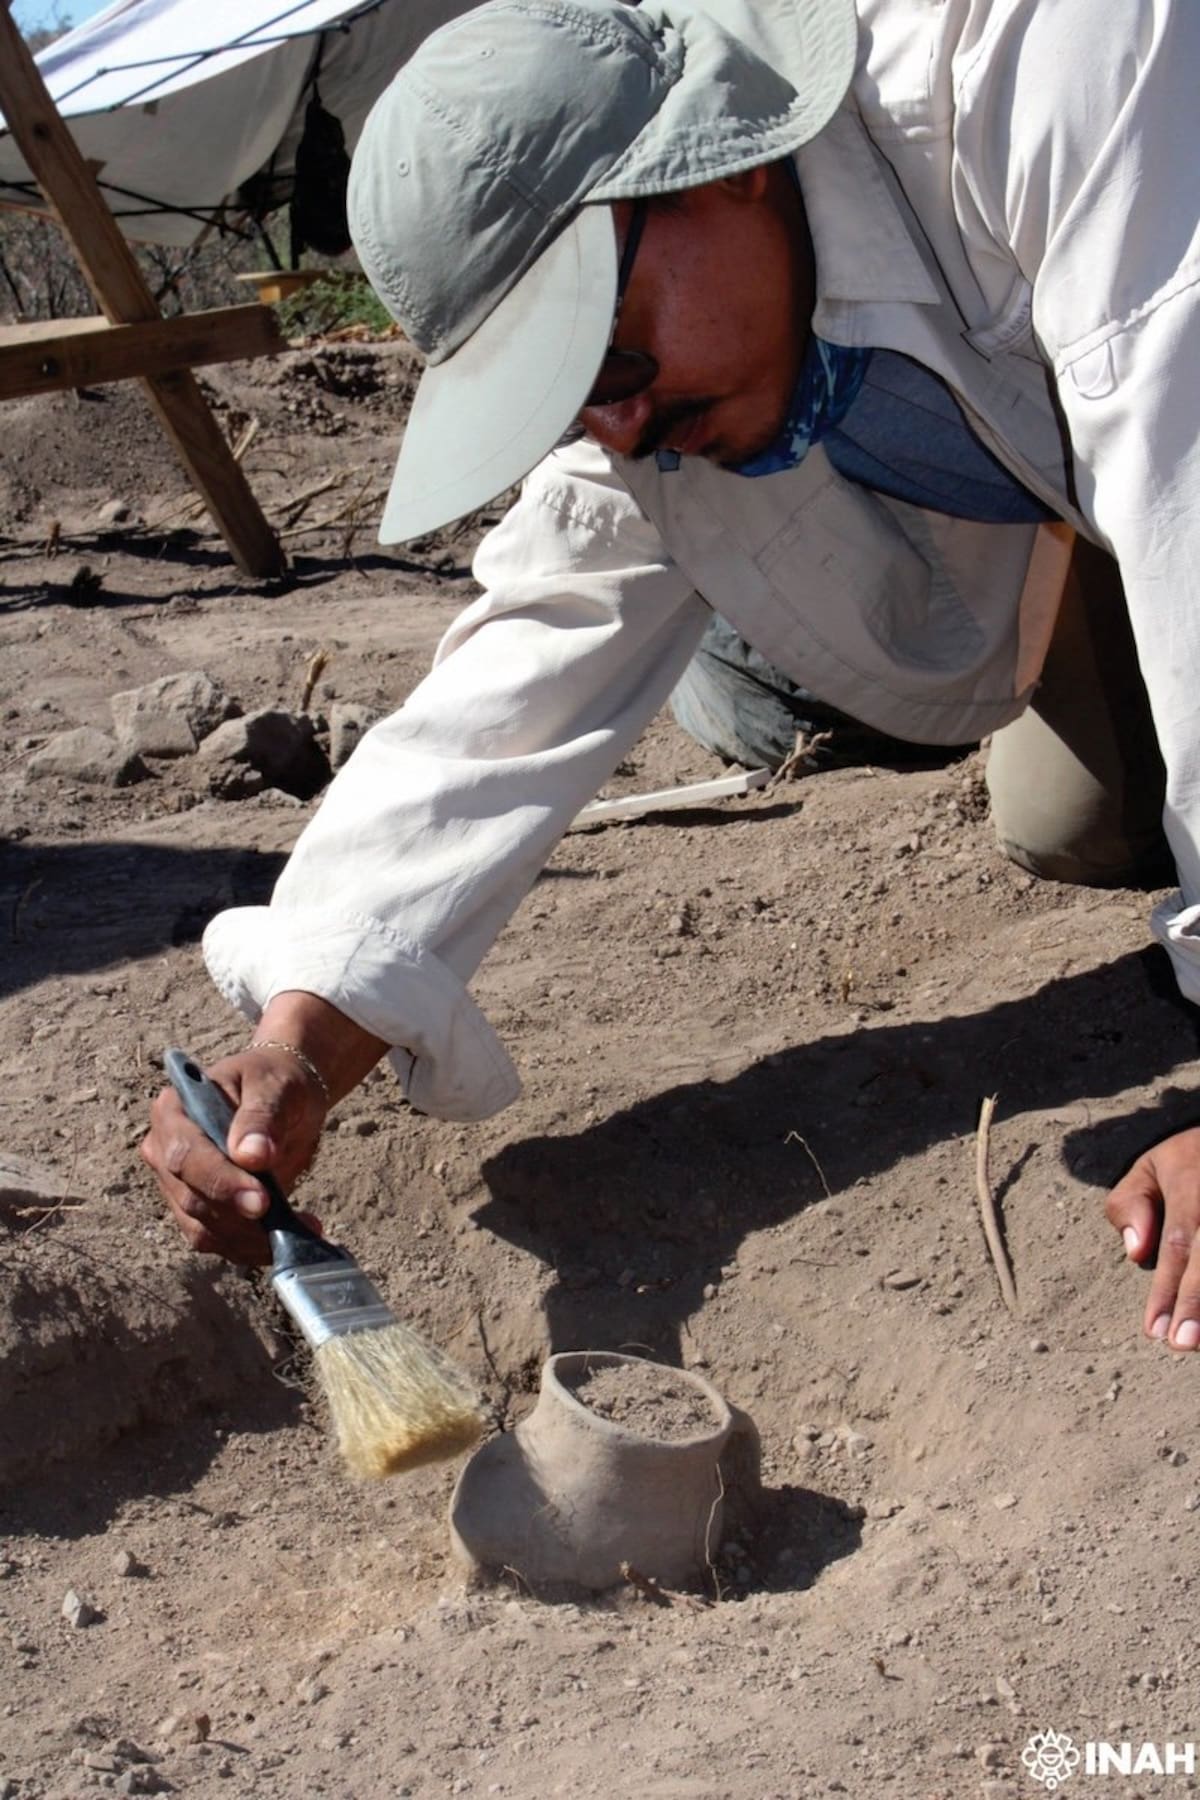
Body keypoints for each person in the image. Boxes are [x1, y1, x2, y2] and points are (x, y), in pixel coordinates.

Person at [143, 0, 1200, 1350]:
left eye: (615, 347)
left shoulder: (1046, 56)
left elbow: (1180, 441)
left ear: (724, 159)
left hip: (1172, 385)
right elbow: (525, 665)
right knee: (1078, 823)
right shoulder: (655, 396)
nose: (620, 417)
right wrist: (303, 1035)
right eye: (572, 389)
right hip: (1105, 477)